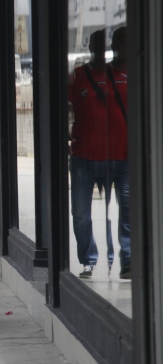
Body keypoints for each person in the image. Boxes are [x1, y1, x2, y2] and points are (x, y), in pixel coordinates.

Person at [68, 28, 130, 280]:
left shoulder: (129, 75)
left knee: (128, 210)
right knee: (81, 214)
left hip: (124, 158)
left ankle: (128, 260)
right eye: (95, 45)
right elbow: (60, 107)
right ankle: (89, 260)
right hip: (84, 159)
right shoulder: (78, 77)